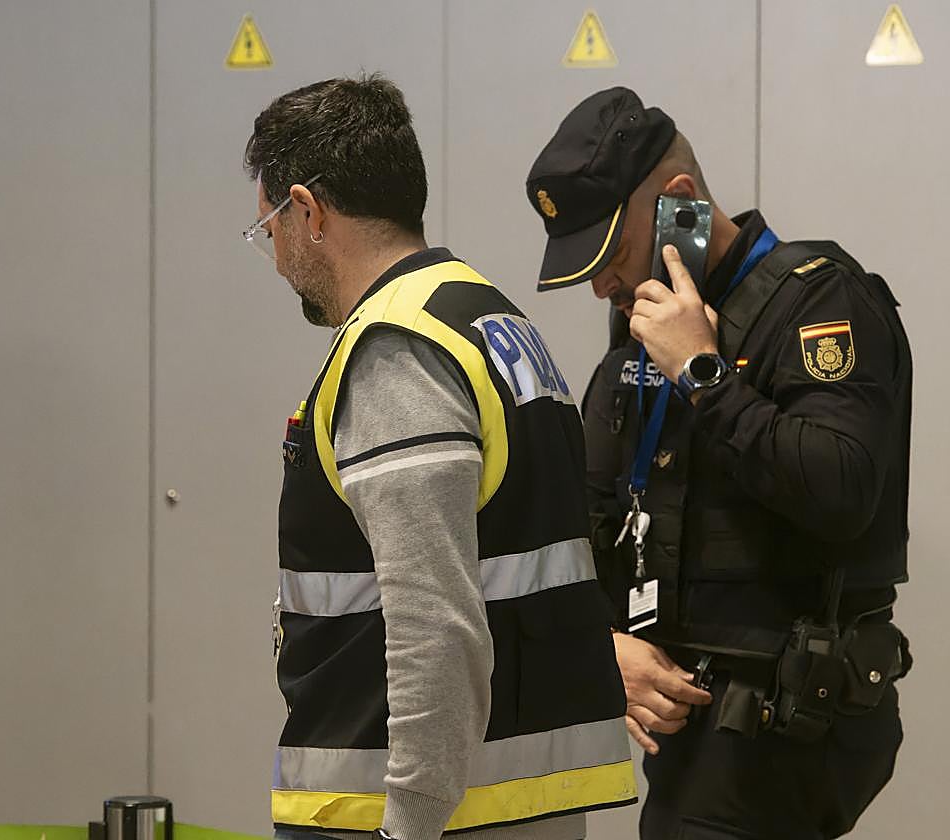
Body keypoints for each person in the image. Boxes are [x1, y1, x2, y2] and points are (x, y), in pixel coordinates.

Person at [244, 75, 635, 840]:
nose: (276, 259)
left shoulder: (397, 350)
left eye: (268, 232)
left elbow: (434, 620)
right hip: (514, 803)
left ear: (308, 211)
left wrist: (409, 824)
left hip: (421, 816)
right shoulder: (487, 321)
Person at [525, 86, 912, 839]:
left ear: (679, 203)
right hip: (692, 730)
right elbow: (598, 510)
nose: (602, 283)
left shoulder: (820, 301)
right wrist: (603, 644)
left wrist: (702, 373)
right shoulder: (643, 326)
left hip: (787, 730)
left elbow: (842, 490)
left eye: (611, 254)